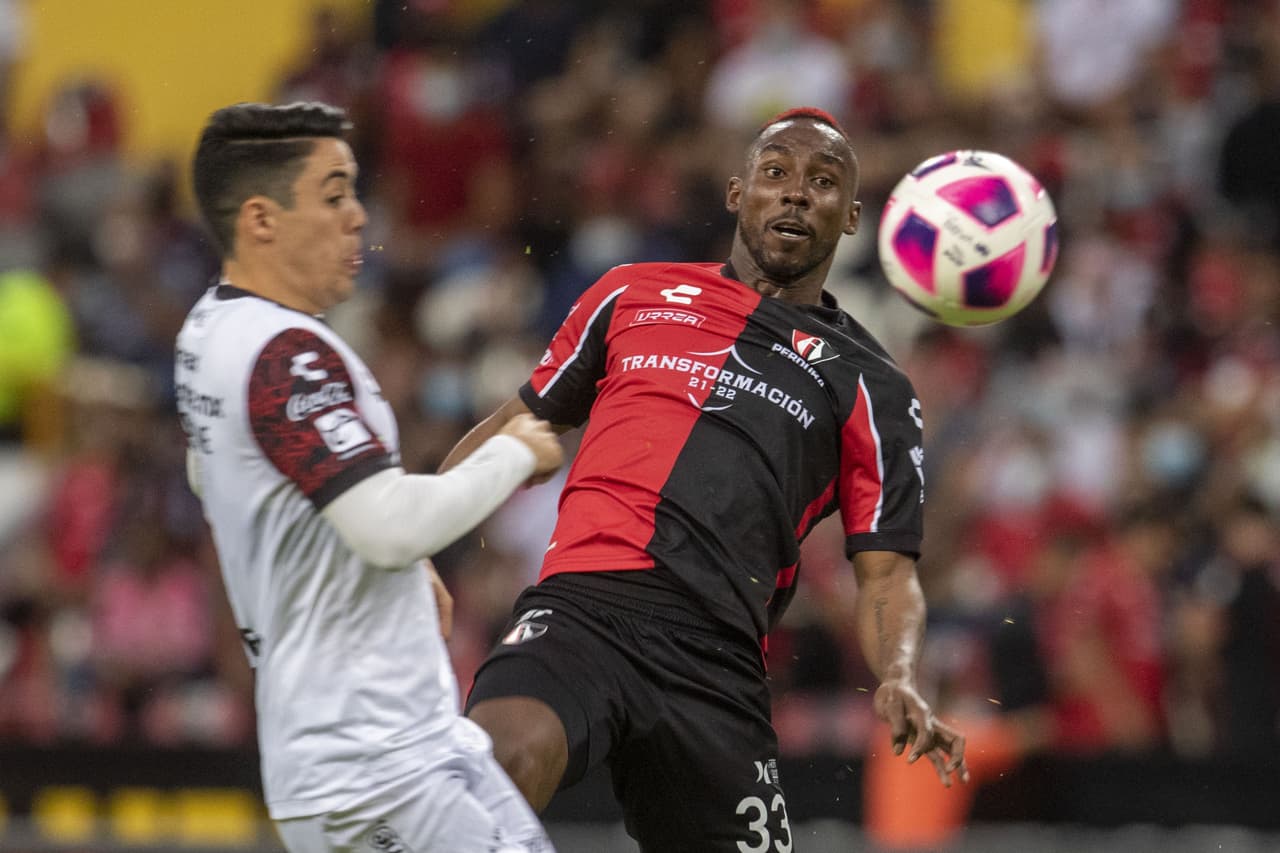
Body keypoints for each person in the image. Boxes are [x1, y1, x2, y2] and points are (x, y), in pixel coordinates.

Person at [441, 107, 970, 852]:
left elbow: (887, 573)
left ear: (851, 216)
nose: (795, 193)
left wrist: (900, 672)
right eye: (775, 173)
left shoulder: (873, 383)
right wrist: (412, 542)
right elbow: (518, 424)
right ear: (736, 193)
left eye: (822, 182)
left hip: (717, 667)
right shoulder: (628, 294)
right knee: (495, 760)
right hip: (584, 611)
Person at [175, 101, 561, 853]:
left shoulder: (208, 329)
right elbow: (386, 526)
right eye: (332, 195)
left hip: (399, 746)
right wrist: (515, 452)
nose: (358, 216)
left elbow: (214, 469)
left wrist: (387, 551)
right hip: (370, 768)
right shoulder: (286, 354)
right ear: (261, 219)